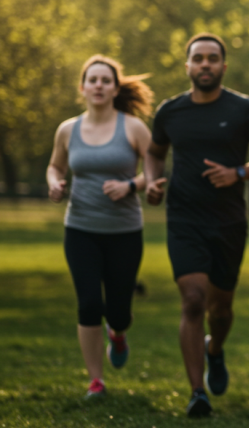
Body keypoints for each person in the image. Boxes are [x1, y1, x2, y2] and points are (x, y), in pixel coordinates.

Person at [144, 33, 249, 417]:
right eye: (198, 59)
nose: (205, 64)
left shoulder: (243, 109)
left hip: (229, 222)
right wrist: (152, 181)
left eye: (212, 58)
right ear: (187, 65)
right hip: (184, 218)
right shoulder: (170, 112)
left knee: (220, 311)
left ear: (223, 66)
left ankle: (215, 349)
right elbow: (154, 153)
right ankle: (196, 392)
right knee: (192, 301)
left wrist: (237, 172)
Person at [46, 55, 154, 399]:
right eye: (92, 80)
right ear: (82, 87)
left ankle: (118, 332)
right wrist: (55, 183)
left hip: (124, 231)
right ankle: (96, 379)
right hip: (80, 229)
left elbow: (155, 170)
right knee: (90, 304)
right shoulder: (67, 129)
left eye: (105, 80)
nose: (98, 86)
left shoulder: (133, 128)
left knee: (119, 309)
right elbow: (55, 166)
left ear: (115, 87)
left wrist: (130, 186)